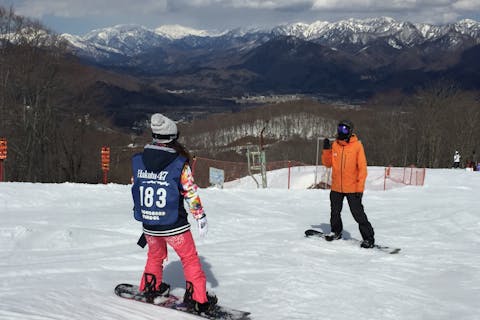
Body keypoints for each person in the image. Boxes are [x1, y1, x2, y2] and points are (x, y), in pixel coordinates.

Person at [131, 113, 217, 314]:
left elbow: (137, 186)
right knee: (189, 258)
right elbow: (190, 192)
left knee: (155, 254)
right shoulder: (179, 164)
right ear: (173, 137)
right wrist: (200, 217)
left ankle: (150, 286)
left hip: (149, 223)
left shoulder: (138, 161)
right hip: (174, 225)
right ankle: (199, 298)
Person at [321, 120, 375, 249]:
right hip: (336, 187)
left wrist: (359, 188)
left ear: (350, 131)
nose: (341, 131)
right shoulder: (335, 145)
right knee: (335, 212)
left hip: (352, 188)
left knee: (358, 214)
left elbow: (362, 168)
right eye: (340, 128)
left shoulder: (357, 146)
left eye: (344, 129)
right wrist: (327, 150)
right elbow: (328, 164)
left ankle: (368, 238)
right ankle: (336, 231)